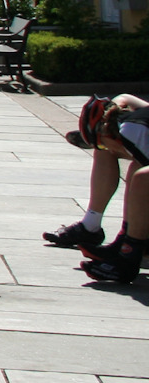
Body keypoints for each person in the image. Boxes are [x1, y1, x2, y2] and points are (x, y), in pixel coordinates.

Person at [44, 94, 147, 249]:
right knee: (104, 151)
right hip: (130, 131)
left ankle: (131, 237)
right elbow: (125, 97)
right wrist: (110, 111)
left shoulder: (134, 133)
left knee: (138, 169)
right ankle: (91, 225)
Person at [70, 97, 149, 283]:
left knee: (142, 177)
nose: (111, 151)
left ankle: (128, 259)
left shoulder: (132, 131)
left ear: (109, 134)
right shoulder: (134, 124)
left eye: (104, 144)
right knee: (138, 168)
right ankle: (127, 241)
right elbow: (127, 97)